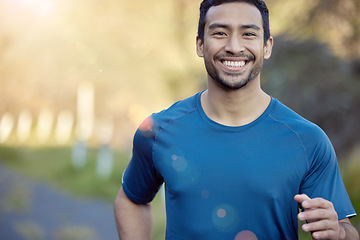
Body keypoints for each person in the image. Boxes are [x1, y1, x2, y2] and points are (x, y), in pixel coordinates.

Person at [114, 0, 359, 239]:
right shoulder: (159, 131)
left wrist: (337, 232)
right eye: (220, 33)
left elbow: (346, 230)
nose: (234, 46)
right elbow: (131, 200)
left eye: (248, 34)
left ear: (267, 46)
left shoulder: (308, 140)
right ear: (200, 44)